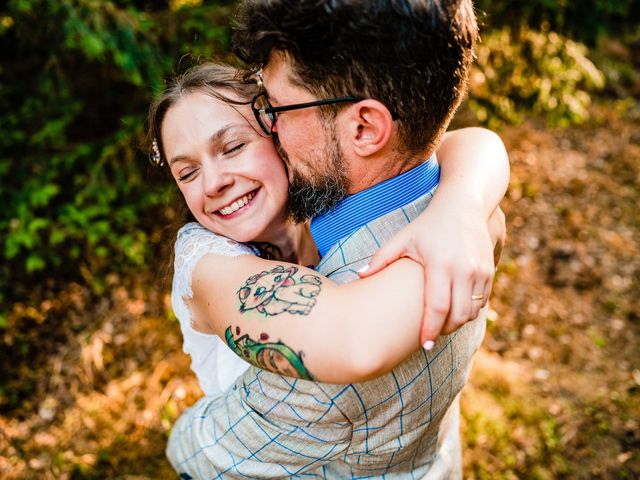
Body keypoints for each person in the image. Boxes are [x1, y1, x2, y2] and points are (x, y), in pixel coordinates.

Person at [160, 0, 510, 476]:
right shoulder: (466, 224)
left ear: (365, 128)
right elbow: (474, 142)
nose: (214, 181)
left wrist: (463, 203)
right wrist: (468, 204)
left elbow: (204, 452)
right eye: (187, 171)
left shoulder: (444, 225)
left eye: (275, 110)